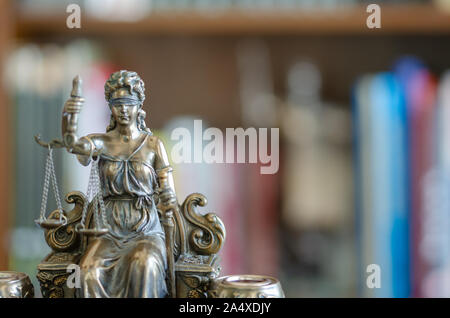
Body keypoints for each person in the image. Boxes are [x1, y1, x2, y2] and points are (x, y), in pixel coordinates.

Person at [61, 70, 177, 298]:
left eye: (129, 103)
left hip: (144, 228)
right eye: (117, 103)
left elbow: (167, 184)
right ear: (110, 106)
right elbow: (73, 145)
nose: (123, 109)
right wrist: (68, 117)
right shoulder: (101, 142)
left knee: (144, 264)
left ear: (139, 104)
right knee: (88, 272)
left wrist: (169, 197)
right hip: (108, 229)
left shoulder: (153, 145)